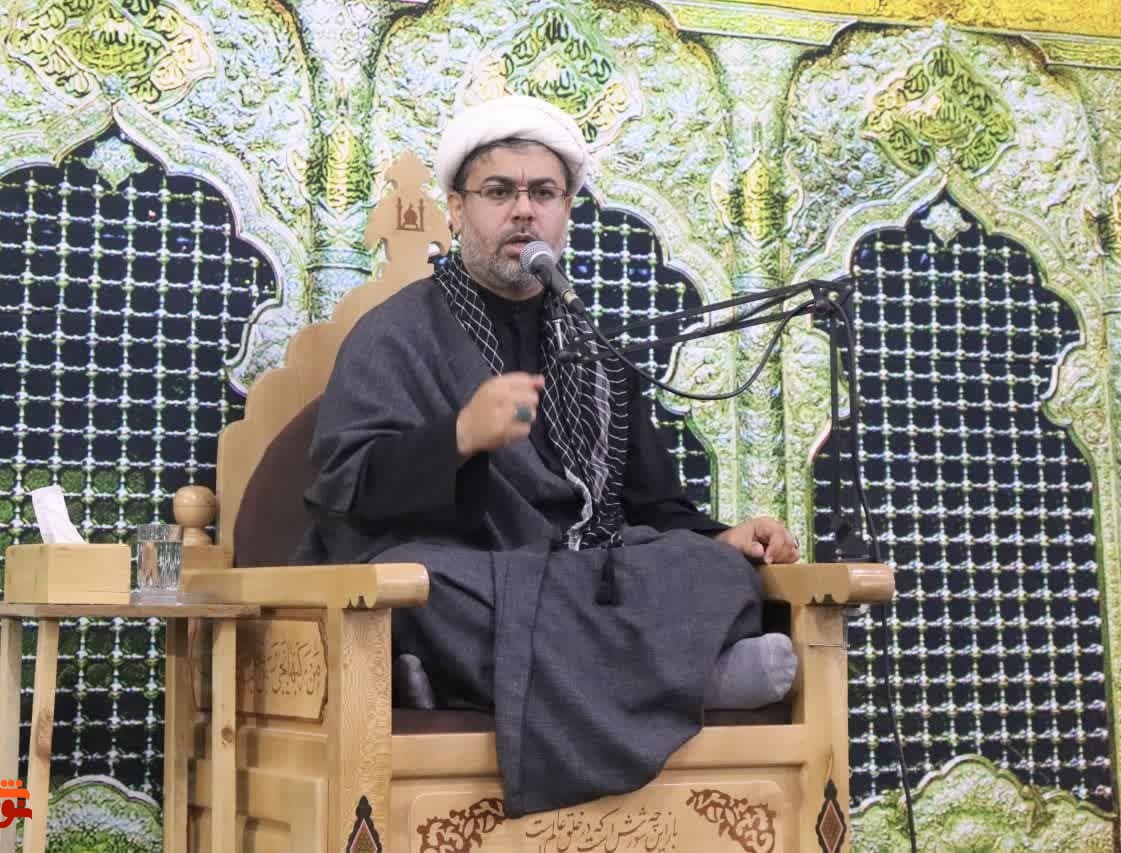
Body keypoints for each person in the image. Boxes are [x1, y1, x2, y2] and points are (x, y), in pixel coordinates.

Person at [293, 95, 800, 818]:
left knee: (713, 570)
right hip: (479, 574)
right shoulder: (394, 334)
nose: (523, 211)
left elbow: (650, 503)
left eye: (544, 193)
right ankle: (692, 677)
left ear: (565, 213)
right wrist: (458, 437)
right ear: (456, 210)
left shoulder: (593, 347)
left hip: (579, 574)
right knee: (424, 587)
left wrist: (723, 538)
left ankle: (488, 678)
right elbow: (347, 489)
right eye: (500, 192)